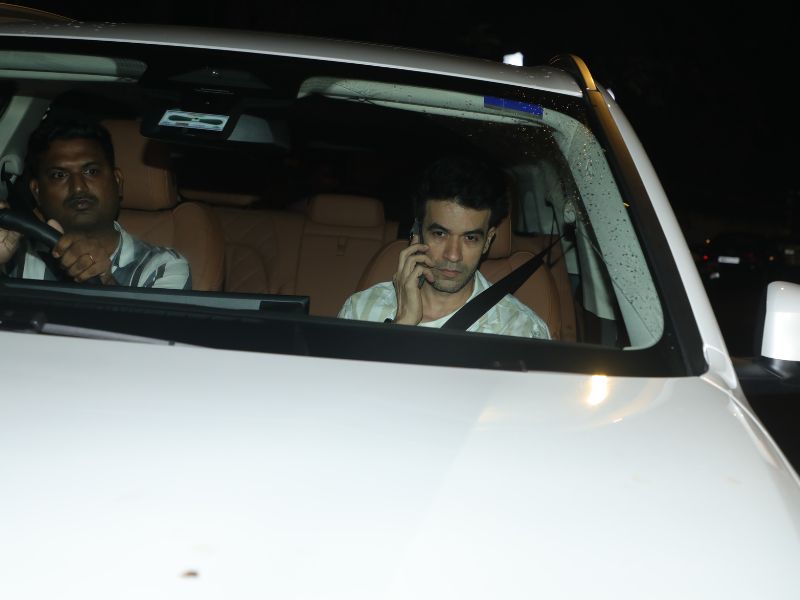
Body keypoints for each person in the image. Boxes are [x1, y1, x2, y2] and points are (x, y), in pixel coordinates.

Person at [338, 156, 550, 339]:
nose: (453, 255)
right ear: (417, 233)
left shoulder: (520, 330)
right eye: (440, 234)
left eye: (470, 238)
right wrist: (401, 325)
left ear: (487, 241)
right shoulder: (361, 311)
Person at [0, 118, 190, 289]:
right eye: (59, 175)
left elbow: (154, 319)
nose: (78, 187)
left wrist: (106, 282)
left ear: (117, 182)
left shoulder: (162, 267)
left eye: (91, 171)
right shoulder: (16, 256)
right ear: (37, 192)